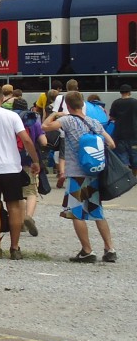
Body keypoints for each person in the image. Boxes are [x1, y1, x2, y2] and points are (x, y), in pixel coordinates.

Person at [42, 90, 118, 264]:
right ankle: (110, 248)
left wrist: (55, 113)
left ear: (68, 106)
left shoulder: (67, 120)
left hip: (77, 175)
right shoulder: (94, 122)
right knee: (97, 212)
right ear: (82, 104)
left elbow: (45, 127)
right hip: (94, 174)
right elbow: (111, 144)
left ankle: (87, 251)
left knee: (77, 213)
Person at [0, 84, 41, 260]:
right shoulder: (12, 116)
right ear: (2, 98)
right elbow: (26, 139)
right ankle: (15, 247)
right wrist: (35, 160)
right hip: (11, 168)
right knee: (15, 206)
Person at [15, 99, 46, 236]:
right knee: (31, 192)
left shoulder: (11, 118)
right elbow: (44, 142)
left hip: (13, 162)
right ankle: (28, 216)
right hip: (29, 161)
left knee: (18, 194)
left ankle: (20, 221)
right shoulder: (34, 121)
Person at [109, 84, 137, 169]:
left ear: (121, 92)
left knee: (123, 158)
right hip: (134, 135)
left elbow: (112, 117)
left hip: (119, 135)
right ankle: (134, 178)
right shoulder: (135, 102)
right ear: (130, 92)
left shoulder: (116, 102)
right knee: (135, 158)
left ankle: (127, 179)